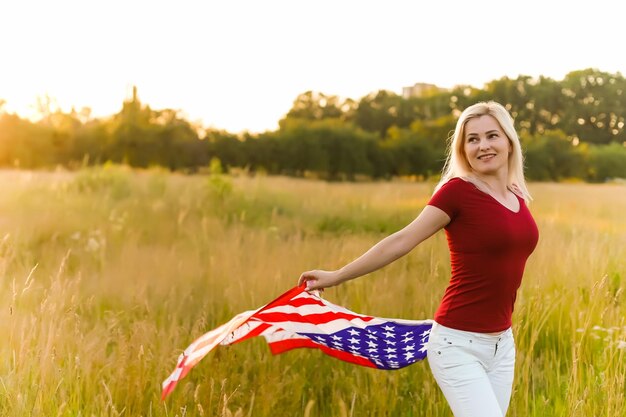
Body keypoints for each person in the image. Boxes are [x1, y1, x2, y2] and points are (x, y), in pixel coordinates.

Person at [298, 101, 539, 417]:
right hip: (458, 345)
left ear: (509, 140)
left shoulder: (516, 194)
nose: (483, 146)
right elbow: (400, 241)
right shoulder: (457, 192)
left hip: (502, 345)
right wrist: (336, 275)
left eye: (492, 136)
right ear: (463, 149)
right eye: (473, 139)